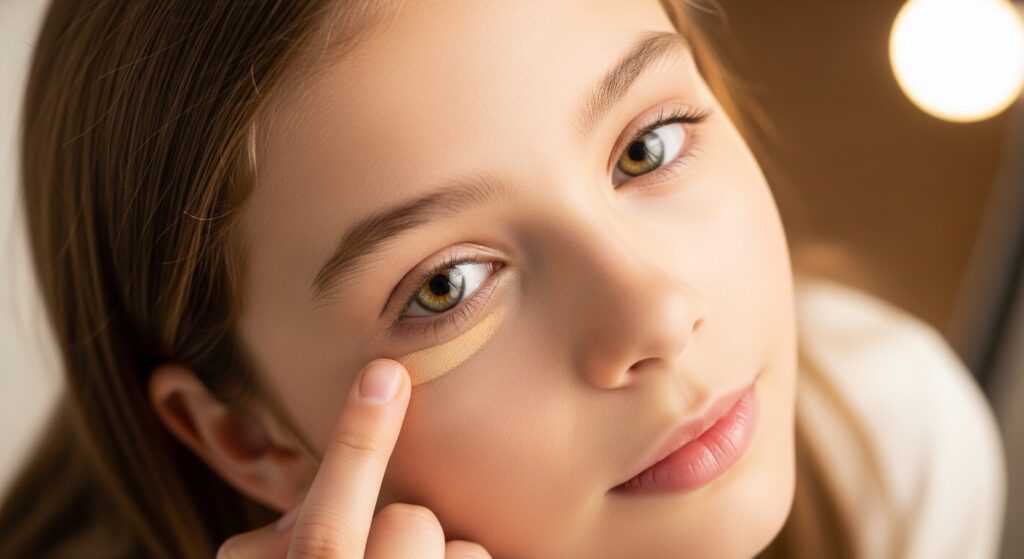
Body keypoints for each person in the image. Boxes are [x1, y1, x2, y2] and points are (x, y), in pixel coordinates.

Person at [0, 0, 1006, 557]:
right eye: (447, 285)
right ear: (249, 436)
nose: (657, 313)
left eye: (648, 146)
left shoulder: (889, 434)